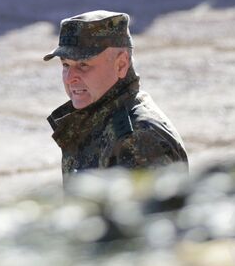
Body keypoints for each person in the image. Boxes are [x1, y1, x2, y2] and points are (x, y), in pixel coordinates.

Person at [45, 10, 187, 187]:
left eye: (83, 64)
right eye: (66, 64)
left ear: (121, 64)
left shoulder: (138, 138)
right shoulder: (94, 117)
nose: (69, 78)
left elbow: (151, 213)